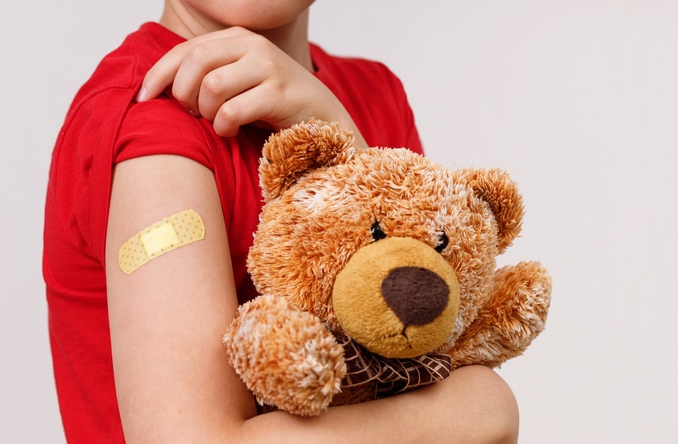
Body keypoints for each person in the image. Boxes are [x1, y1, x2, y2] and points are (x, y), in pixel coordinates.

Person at [43, 1, 519, 442]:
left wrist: (334, 128)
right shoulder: (153, 125)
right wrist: (487, 407)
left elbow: (422, 351)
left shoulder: (375, 95)